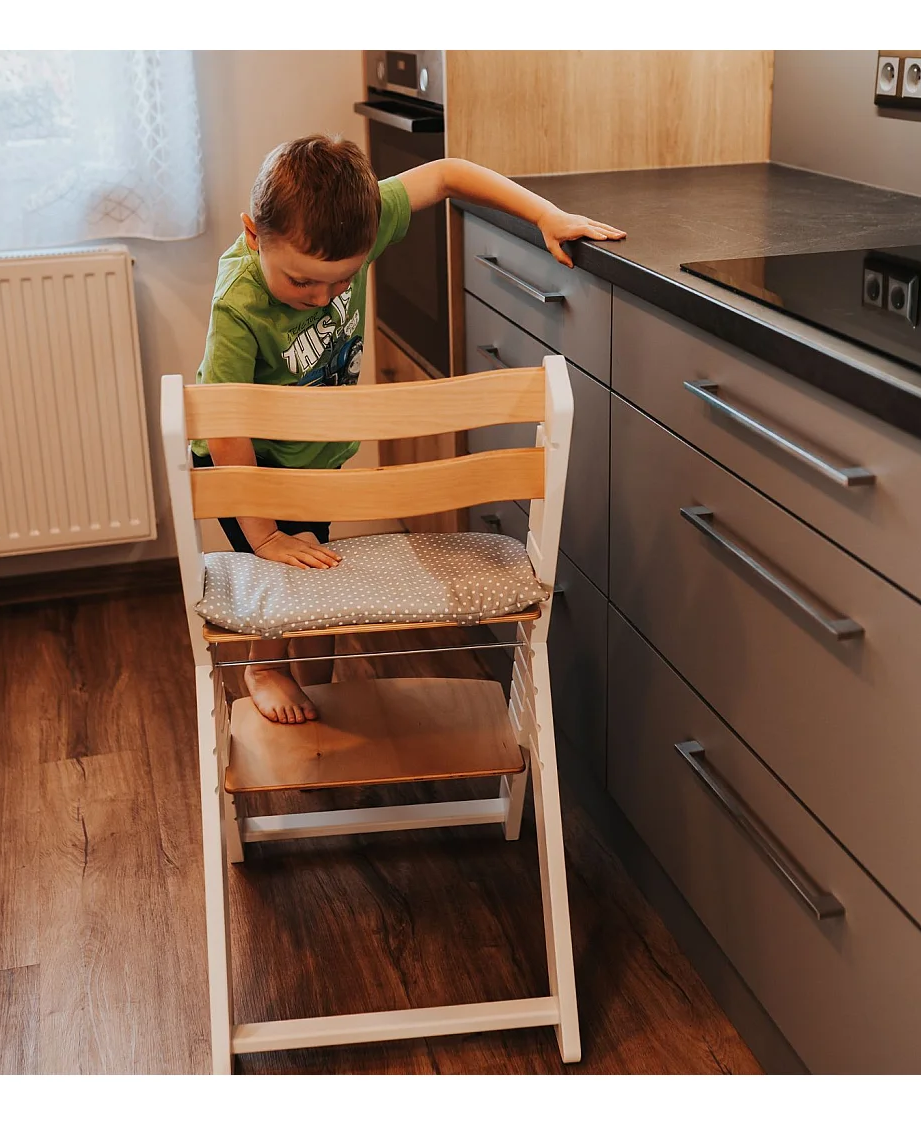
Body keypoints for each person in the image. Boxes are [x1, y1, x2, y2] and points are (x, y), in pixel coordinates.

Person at [194, 134, 625, 724]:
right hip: (249, 463)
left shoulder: (359, 223)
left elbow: (446, 174)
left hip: (312, 456)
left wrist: (545, 214)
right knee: (283, 571)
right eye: (302, 283)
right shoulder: (238, 305)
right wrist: (264, 536)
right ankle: (263, 667)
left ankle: (308, 675)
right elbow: (225, 429)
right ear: (253, 235)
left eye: (342, 282)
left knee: (315, 578)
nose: (321, 297)